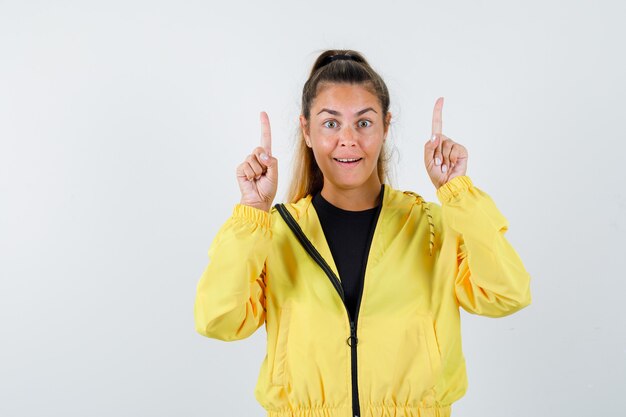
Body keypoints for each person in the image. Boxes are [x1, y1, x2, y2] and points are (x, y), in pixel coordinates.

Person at [193, 49, 532, 417]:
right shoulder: (273, 233)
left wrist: (457, 192)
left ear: (386, 126)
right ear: (306, 130)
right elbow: (218, 319)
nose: (349, 139)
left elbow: (506, 295)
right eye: (331, 123)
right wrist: (253, 212)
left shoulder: (434, 227)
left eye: (365, 123)